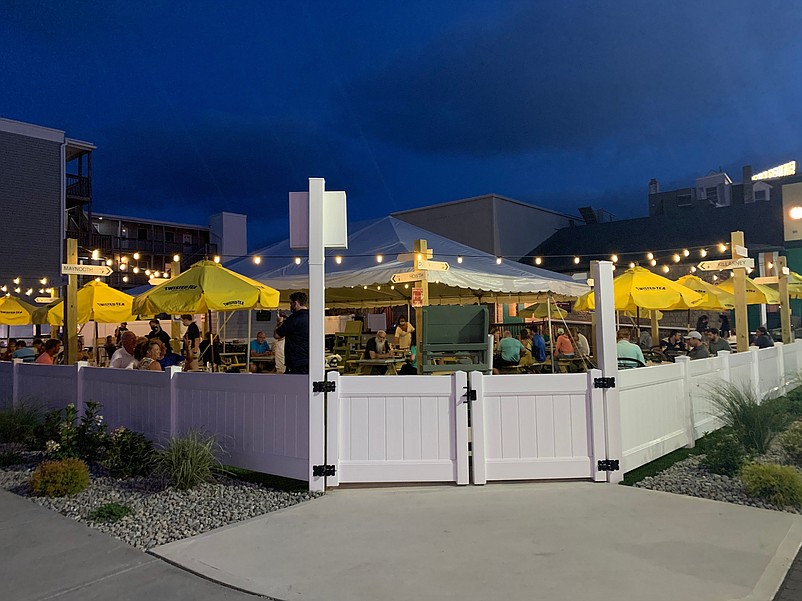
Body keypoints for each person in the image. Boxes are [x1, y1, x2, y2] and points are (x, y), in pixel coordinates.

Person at [274, 291, 309, 374]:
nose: (290, 306)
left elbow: (277, 335)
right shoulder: (312, 316)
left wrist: (279, 323)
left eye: (291, 303)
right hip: (310, 359)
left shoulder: (293, 319)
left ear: (296, 303)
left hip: (296, 360)